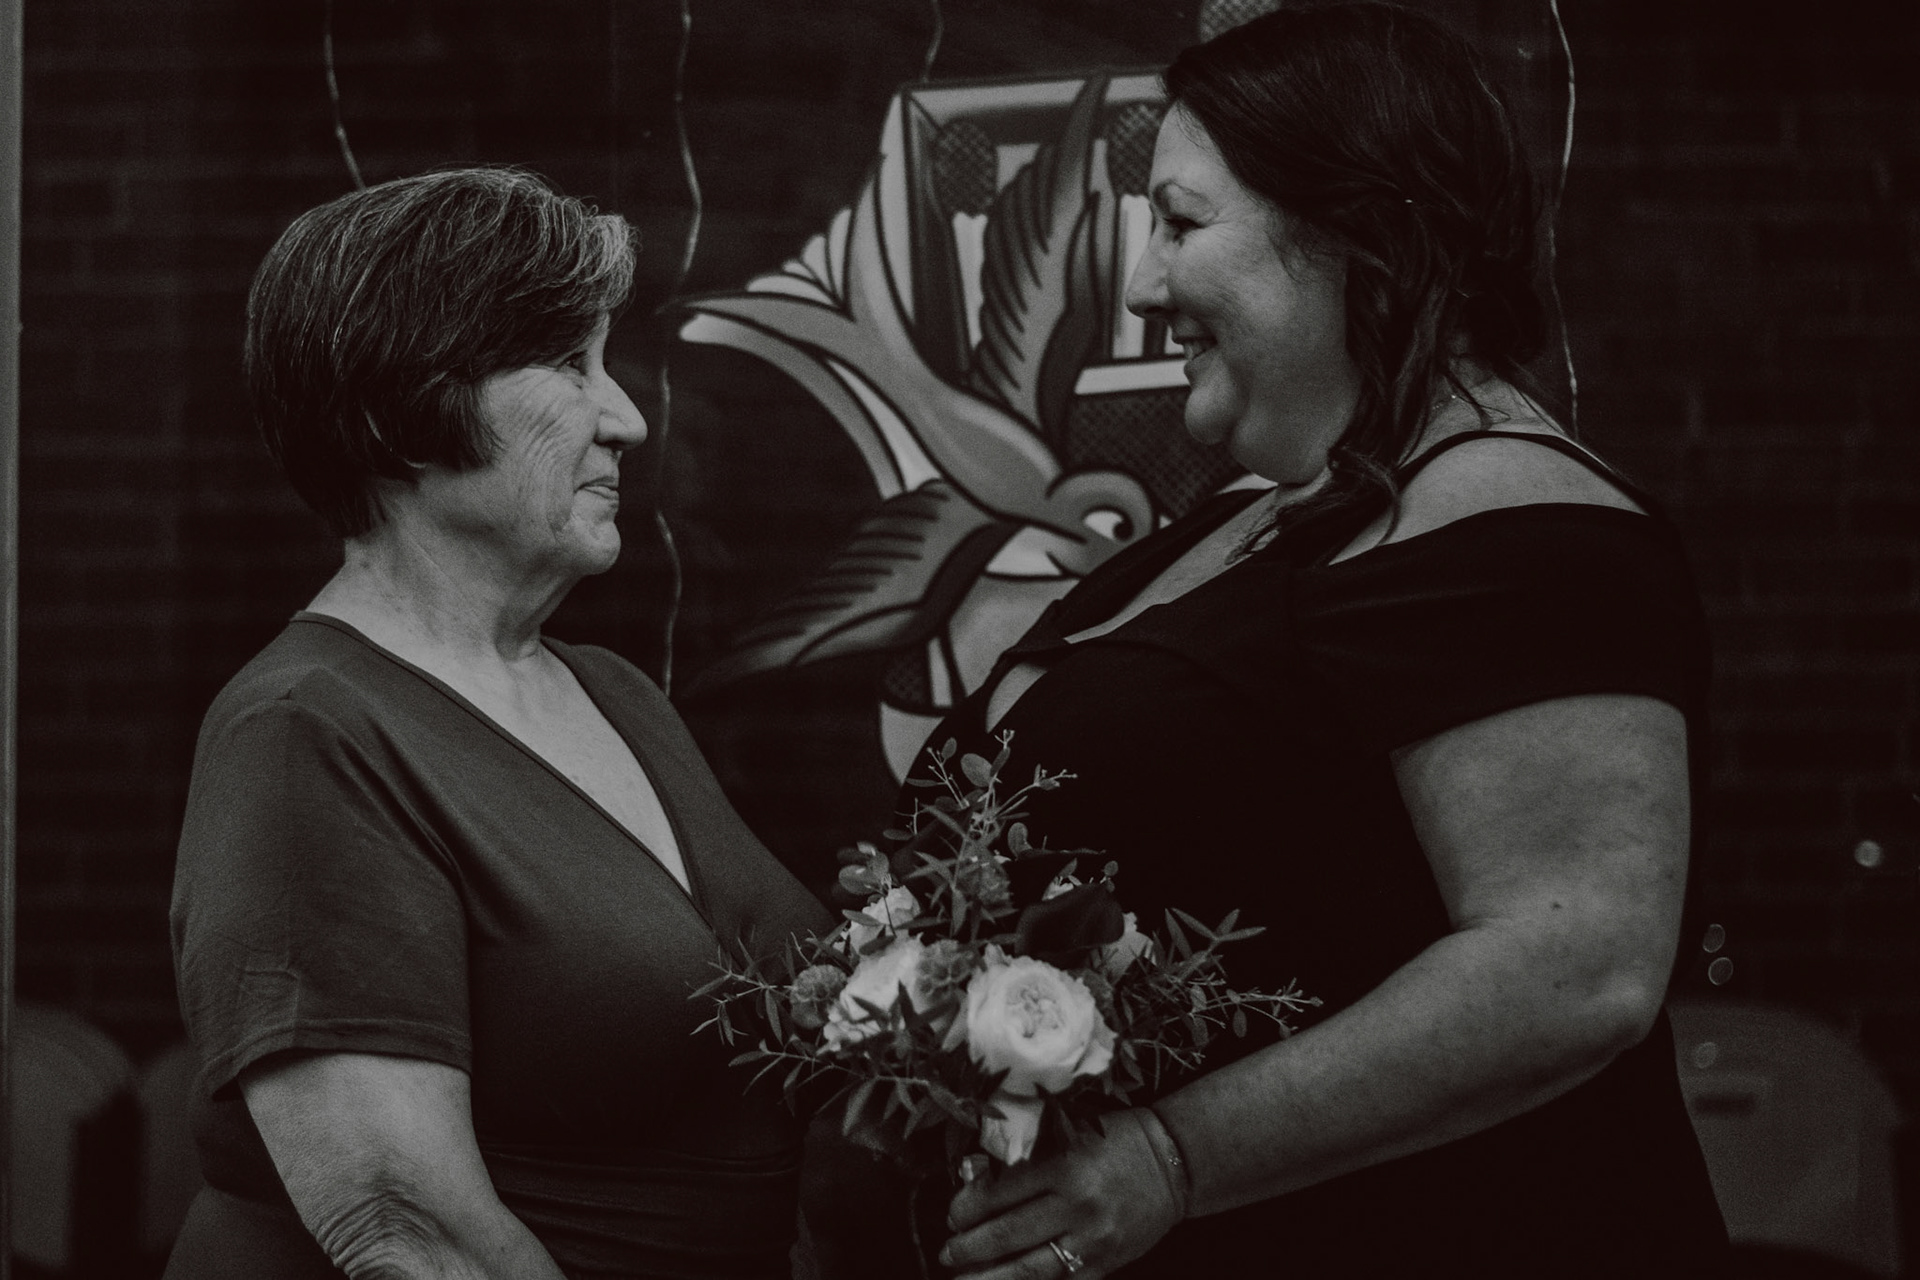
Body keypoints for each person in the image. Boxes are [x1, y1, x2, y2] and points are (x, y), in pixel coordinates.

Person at [902, 6, 1731, 1277]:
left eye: (1181, 224)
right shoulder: (1266, 511)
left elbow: (1575, 968)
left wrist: (1172, 1156)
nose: (1144, 284)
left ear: (1358, 235)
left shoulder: (1524, 528)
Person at [167, 168, 830, 1279]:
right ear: (399, 414)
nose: (627, 419)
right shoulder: (303, 731)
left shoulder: (614, 692)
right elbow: (410, 1230)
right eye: (569, 366)